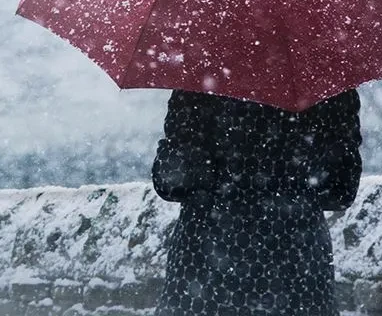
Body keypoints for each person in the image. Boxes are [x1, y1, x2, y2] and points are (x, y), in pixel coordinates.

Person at [151, 89, 362, 316]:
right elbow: (340, 191)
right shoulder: (323, 76)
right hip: (297, 267)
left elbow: (171, 183)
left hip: (206, 269)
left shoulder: (199, 77)